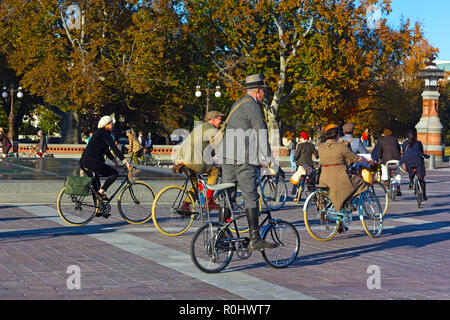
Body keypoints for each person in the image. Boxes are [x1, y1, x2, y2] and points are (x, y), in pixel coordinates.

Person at [216, 73, 278, 252]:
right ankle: (255, 238)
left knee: (227, 196)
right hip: (243, 159)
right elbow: (260, 134)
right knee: (251, 196)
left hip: (226, 158)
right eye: (263, 92)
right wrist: (270, 161)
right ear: (258, 91)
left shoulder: (237, 104)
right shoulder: (253, 106)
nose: (264, 95)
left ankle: (221, 237)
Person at [318, 124, 369, 230]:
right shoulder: (341, 146)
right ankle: (348, 203)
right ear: (337, 135)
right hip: (339, 177)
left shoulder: (321, 147)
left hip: (324, 179)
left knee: (339, 191)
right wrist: (367, 160)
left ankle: (342, 212)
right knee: (360, 182)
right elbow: (356, 159)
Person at [176, 110, 224, 210]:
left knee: (196, 184)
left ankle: (185, 206)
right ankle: (209, 201)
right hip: (192, 159)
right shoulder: (212, 129)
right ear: (213, 119)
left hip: (180, 158)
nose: (221, 121)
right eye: (220, 119)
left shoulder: (200, 127)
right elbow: (220, 147)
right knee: (215, 171)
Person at [80, 115, 132, 202]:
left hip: (84, 162)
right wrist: (126, 162)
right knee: (114, 173)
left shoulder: (98, 133)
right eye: (111, 124)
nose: (112, 126)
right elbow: (114, 148)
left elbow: (106, 150)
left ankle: (98, 209)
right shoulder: (105, 133)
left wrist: (115, 162)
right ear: (107, 124)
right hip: (93, 162)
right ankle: (101, 192)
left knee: (96, 186)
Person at [399, 128, 429, 201]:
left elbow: (404, 153)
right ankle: (424, 195)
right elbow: (421, 152)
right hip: (418, 160)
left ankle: (411, 183)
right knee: (421, 179)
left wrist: (403, 163)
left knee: (411, 171)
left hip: (408, 161)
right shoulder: (419, 143)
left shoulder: (405, 143)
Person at [372, 129, 402, 196]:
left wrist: (379, 158)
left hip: (386, 159)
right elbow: (399, 149)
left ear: (384, 134)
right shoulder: (395, 139)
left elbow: (379, 150)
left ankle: (385, 180)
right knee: (397, 172)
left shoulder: (381, 140)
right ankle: (398, 187)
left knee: (384, 168)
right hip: (396, 158)